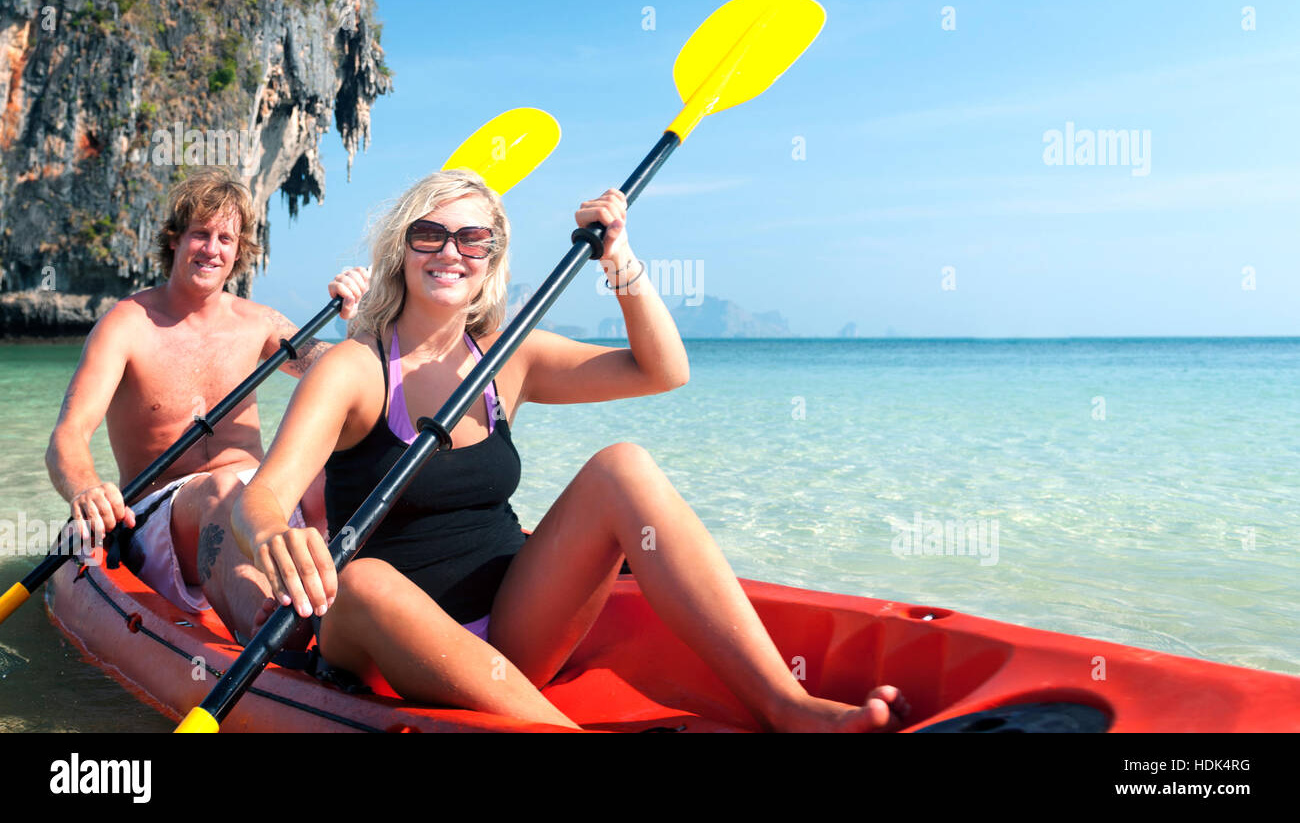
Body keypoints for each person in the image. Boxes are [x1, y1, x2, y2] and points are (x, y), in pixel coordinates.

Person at [232, 168, 908, 731]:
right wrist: (273, 537)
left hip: (514, 629)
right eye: (429, 234)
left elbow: (663, 370)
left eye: (473, 238)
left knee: (624, 467)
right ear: (399, 251)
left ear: (492, 258)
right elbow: (261, 498)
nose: (450, 252)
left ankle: (786, 705)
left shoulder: (506, 358)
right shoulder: (353, 368)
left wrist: (620, 263)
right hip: (381, 637)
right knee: (367, 579)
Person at [45, 170, 369, 643]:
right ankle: (276, 636)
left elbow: (352, 378)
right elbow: (68, 436)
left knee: (333, 458)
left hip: (259, 507)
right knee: (219, 489)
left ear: (240, 252)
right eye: (200, 234)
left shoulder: (258, 324)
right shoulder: (127, 326)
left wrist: (356, 317)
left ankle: (348, 607)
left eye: (225, 238)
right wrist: (87, 489)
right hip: (167, 518)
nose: (212, 249)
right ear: (174, 240)